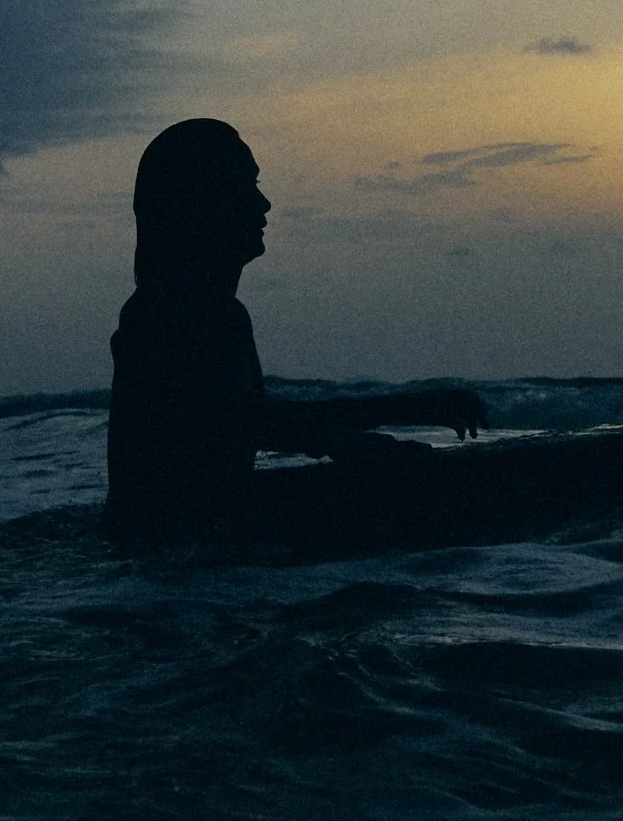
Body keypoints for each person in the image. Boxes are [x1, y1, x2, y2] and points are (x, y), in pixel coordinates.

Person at [106, 117, 487, 540]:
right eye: (245, 185)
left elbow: (247, 420)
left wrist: (411, 410)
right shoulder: (166, 315)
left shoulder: (213, 314)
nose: (264, 203)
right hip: (171, 555)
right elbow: (241, 424)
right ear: (200, 202)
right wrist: (359, 440)